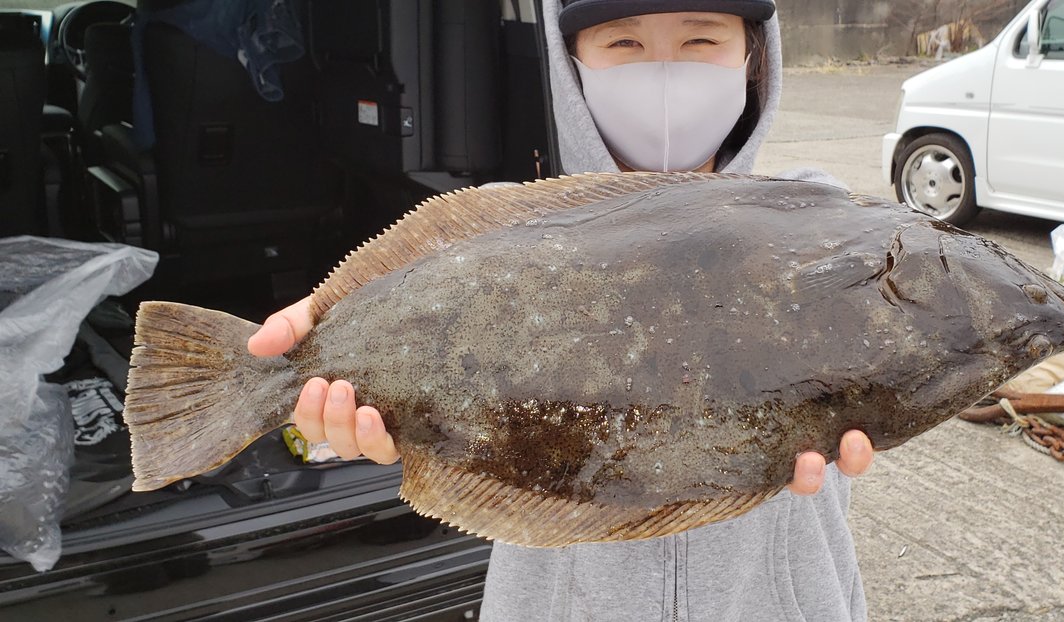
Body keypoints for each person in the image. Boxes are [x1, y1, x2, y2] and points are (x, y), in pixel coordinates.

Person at [247, 1, 874, 619]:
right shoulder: (504, 228)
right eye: (623, 44)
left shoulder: (819, 220)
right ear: (572, 68)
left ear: (754, 59)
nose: (662, 70)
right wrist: (326, 340)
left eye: (700, 41)